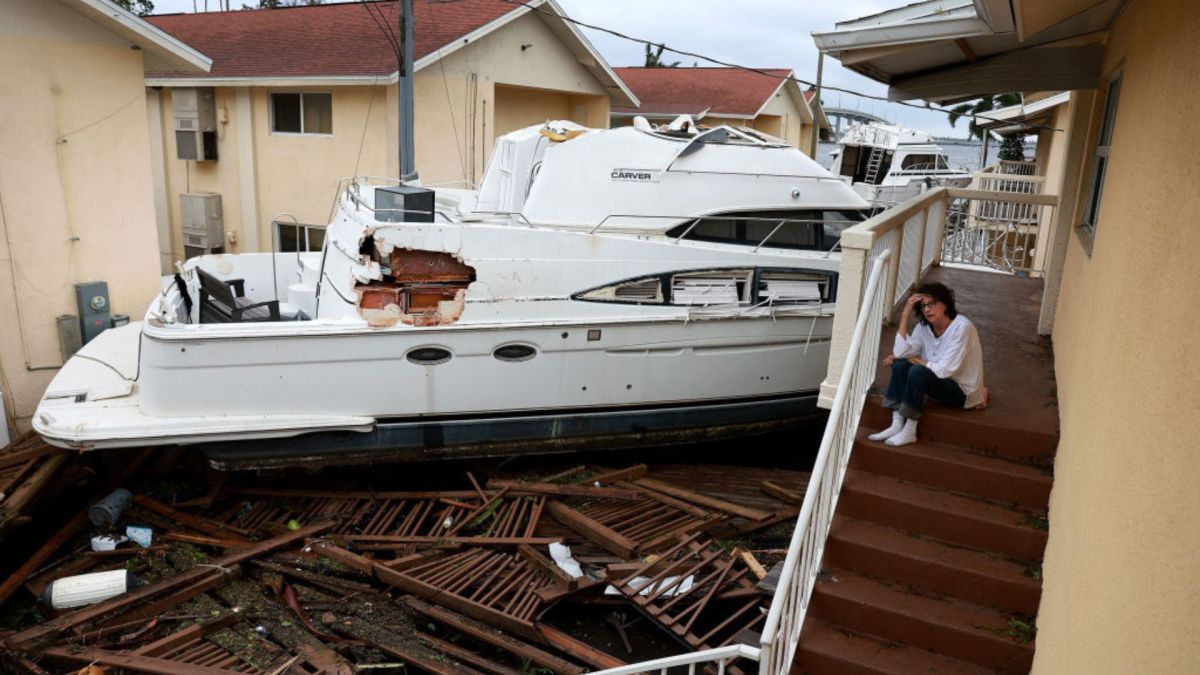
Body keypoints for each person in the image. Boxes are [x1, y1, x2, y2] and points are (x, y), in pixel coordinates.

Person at [868, 282, 986, 447]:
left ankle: (910, 430)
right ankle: (896, 424)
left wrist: (913, 359)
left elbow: (943, 370)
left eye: (931, 304)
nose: (927, 309)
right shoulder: (924, 327)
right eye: (922, 306)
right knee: (900, 364)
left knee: (917, 371)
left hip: (961, 392)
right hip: (938, 383)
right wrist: (905, 313)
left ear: (945, 303)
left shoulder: (962, 327)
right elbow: (902, 353)